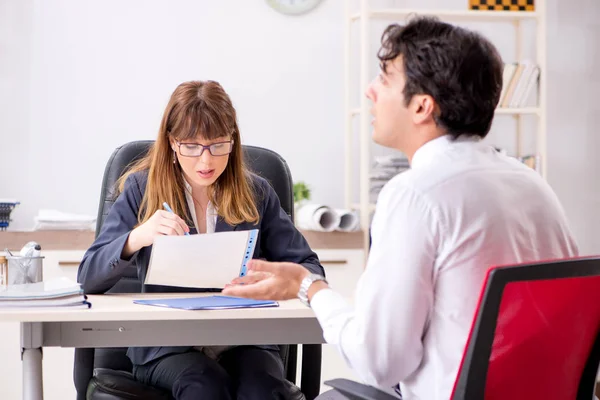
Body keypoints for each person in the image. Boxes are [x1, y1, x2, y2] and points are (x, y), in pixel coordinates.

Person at [223, 16, 579, 400]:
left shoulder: (416, 195)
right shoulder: (532, 183)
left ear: (423, 106)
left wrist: (309, 286)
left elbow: (380, 362)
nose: (370, 90)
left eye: (385, 78)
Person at [77, 80, 324, 400]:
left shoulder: (257, 192)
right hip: (169, 347)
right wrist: (136, 238)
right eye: (192, 146)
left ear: (232, 142)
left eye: (218, 145)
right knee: (204, 386)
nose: (206, 161)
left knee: (261, 390)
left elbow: (309, 269)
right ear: (172, 143)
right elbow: (87, 277)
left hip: (245, 340)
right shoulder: (141, 189)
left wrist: (273, 276)